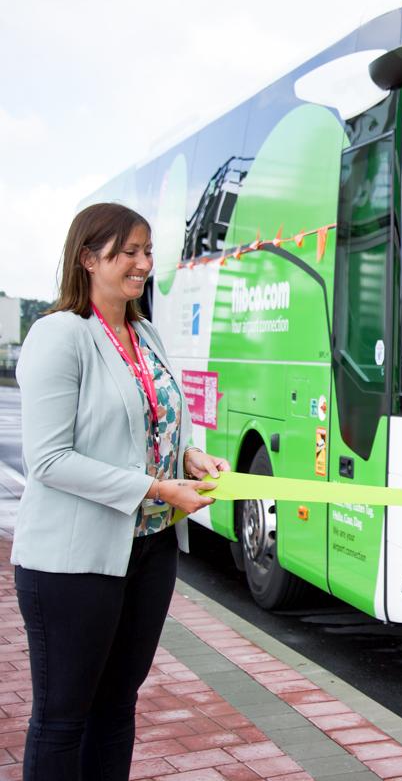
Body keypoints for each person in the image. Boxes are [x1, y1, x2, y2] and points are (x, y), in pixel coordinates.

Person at [14, 202, 231, 779]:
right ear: (88, 258)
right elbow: (51, 460)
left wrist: (188, 454)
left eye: (148, 251)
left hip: (150, 551)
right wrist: (157, 486)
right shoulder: (61, 335)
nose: (143, 264)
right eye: (128, 252)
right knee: (62, 719)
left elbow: (153, 420)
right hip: (73, 561)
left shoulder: (145, 332)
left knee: (117, 708)